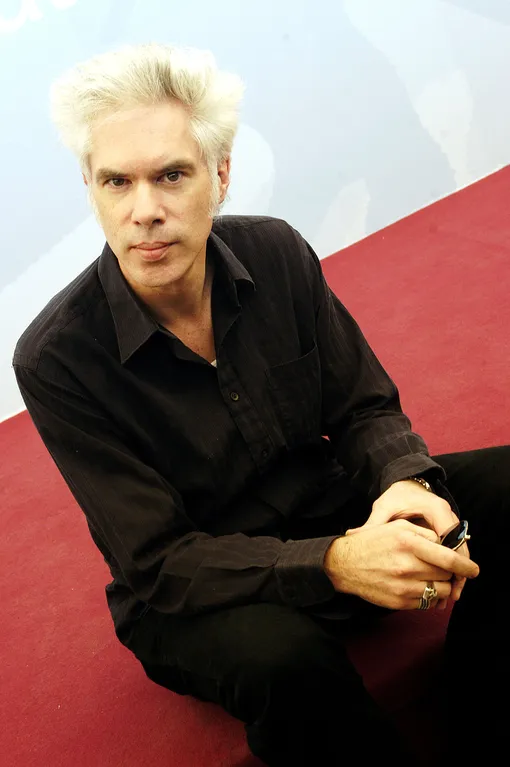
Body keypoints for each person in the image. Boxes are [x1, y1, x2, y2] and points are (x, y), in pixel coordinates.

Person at [12, 43, 508, 765]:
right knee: (286, 661)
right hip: (200, 587)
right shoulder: (56, 356)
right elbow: (160, 562)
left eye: (171, 175)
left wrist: (407, 483)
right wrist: (336, 562)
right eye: (116, 181)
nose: (143, 210)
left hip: (327, 506)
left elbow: (366, 408)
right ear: (90, 187)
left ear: (221, 174)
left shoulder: (277, 253)